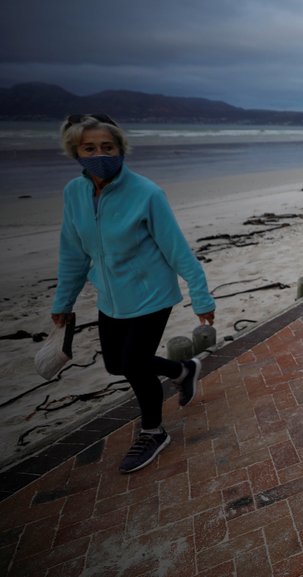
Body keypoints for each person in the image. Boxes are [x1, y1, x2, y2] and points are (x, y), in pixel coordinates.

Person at [51, 114, 216, 474]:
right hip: (111, 298)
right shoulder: (74, 193)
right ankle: (182, 370)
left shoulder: (147, 193)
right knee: (115, 364)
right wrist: (63, 301)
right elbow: (73, 252)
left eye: (107, 147)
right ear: (75, 151)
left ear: (121, 149)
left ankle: (153, 432)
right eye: (90, 148)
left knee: (136, 365)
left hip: (151, 295)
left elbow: (177, 251)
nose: (100, 154)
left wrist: (201, 297)